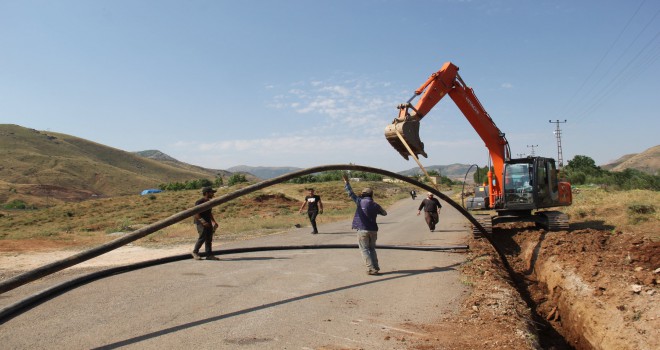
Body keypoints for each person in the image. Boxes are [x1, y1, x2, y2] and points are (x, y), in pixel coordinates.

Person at [342, 174, 387, 275]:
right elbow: (384, 213)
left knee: (364, 249)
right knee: (372, 249)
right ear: (371, 195)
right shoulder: (375, 205)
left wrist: (346, 183)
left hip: (362, 230)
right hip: (373, 230)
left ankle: (371, 269)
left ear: (363, 194)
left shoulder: (359, 201)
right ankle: (376, 267)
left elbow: (350, 193)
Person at [192, 186, 220, 260]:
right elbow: (196, 213)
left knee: (209, 238)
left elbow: (209, 213)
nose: (213, 194)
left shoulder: (209, 202)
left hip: (208, 221)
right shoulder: (199, 202)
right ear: (206, 193)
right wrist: (203, 222)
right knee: (202, 237)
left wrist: (214, 222)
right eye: (211, 192)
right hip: (200, 222)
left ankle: (209, 255)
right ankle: (195, 252)